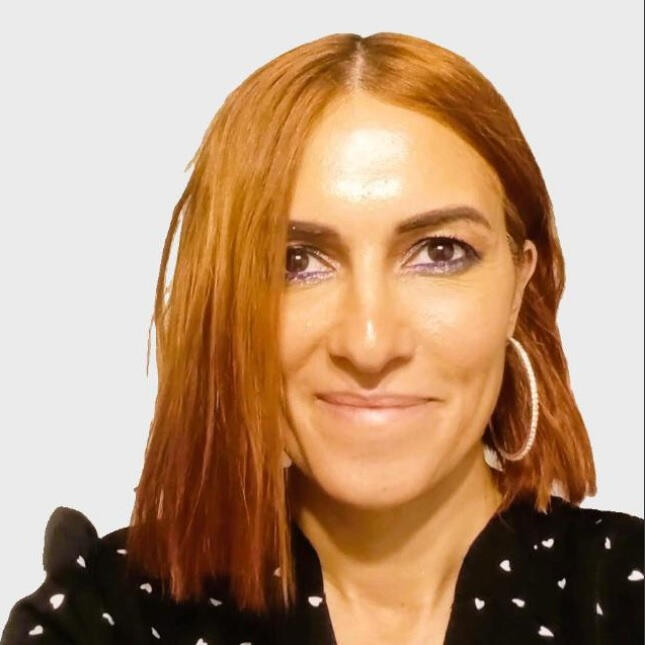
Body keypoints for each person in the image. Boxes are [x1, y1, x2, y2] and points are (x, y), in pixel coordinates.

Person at [2, 32, 643, 645]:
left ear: (518, 288)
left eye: (440, 251)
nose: (369, 343)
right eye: (296, 262)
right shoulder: (104, 619)